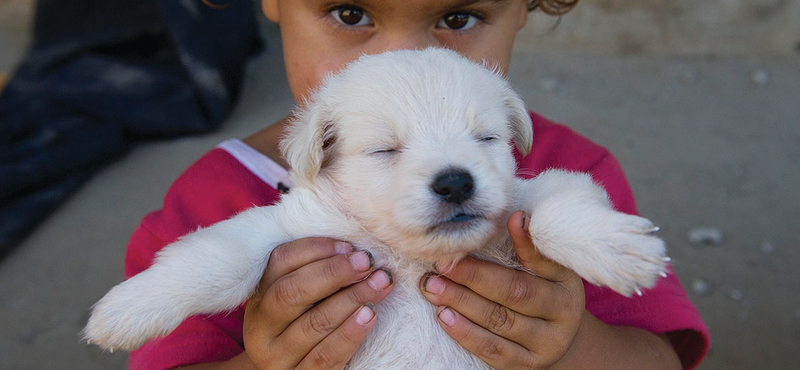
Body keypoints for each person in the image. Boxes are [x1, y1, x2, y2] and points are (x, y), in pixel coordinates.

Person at [123, 1, 710, 369]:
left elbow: (657, 357)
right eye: (351, 12)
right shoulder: (210, 204)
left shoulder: (567, 174)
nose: (406, 57)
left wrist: (574, 348)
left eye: (457, 17)